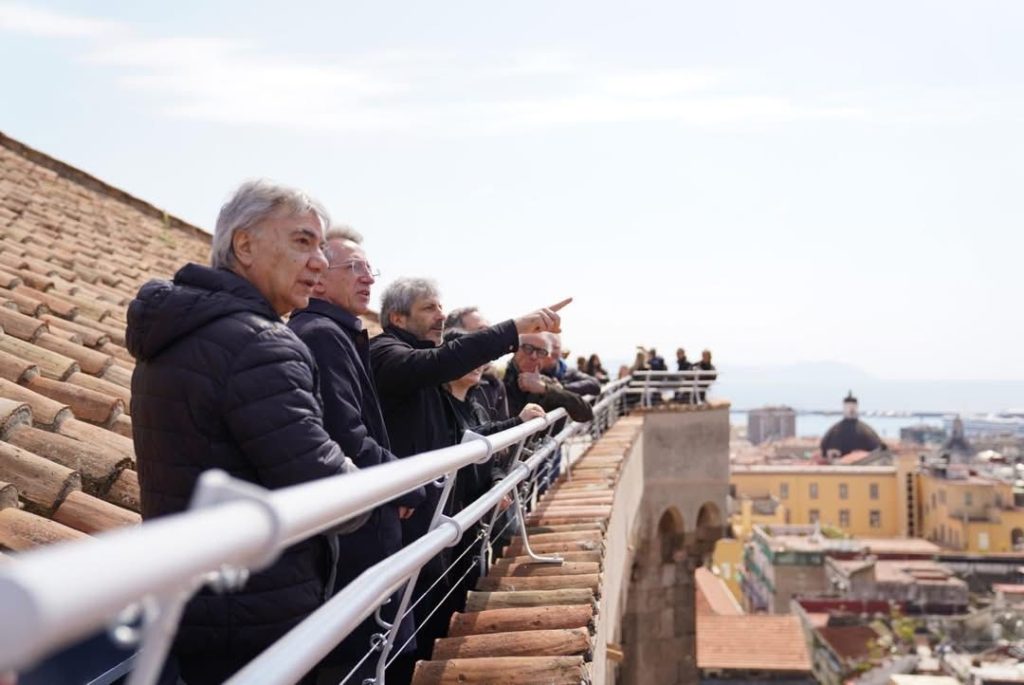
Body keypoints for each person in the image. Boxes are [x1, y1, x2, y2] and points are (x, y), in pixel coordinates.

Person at [126, 180, 367, 685]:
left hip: (194, 607)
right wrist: (358, 481)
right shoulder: (260, 345)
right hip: (257, 615)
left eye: (321, 246)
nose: (320, 261)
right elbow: (331, 493)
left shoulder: (178, 330)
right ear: (245, 245)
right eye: (302, 241)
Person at [369, 279, 570, 661]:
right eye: (428, 307)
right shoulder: (387, 353)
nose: (440, 315)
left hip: (434, 521)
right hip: (409, 523)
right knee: (403, 641)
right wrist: (515, 329)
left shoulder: (422, 367)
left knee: (432, 623)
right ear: (397, 317)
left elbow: (462, 438)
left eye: (440, 307)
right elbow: (442, 367)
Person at [287, 225, 423, 683]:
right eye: (354, 268)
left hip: (361, 523)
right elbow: (347, 436)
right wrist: (409, 484)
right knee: (366, 661)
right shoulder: (323, 335)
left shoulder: (336, 333)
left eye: (369, 269)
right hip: (356, 532)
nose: (368, 278)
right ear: (320, 279)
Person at [504, 333, 594, 423]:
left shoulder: (544, 382)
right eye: (528, 348)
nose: (534, 356)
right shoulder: (500, 380)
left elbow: (586, 413)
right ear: (515, 349)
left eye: (541, 352)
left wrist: (545, 389)